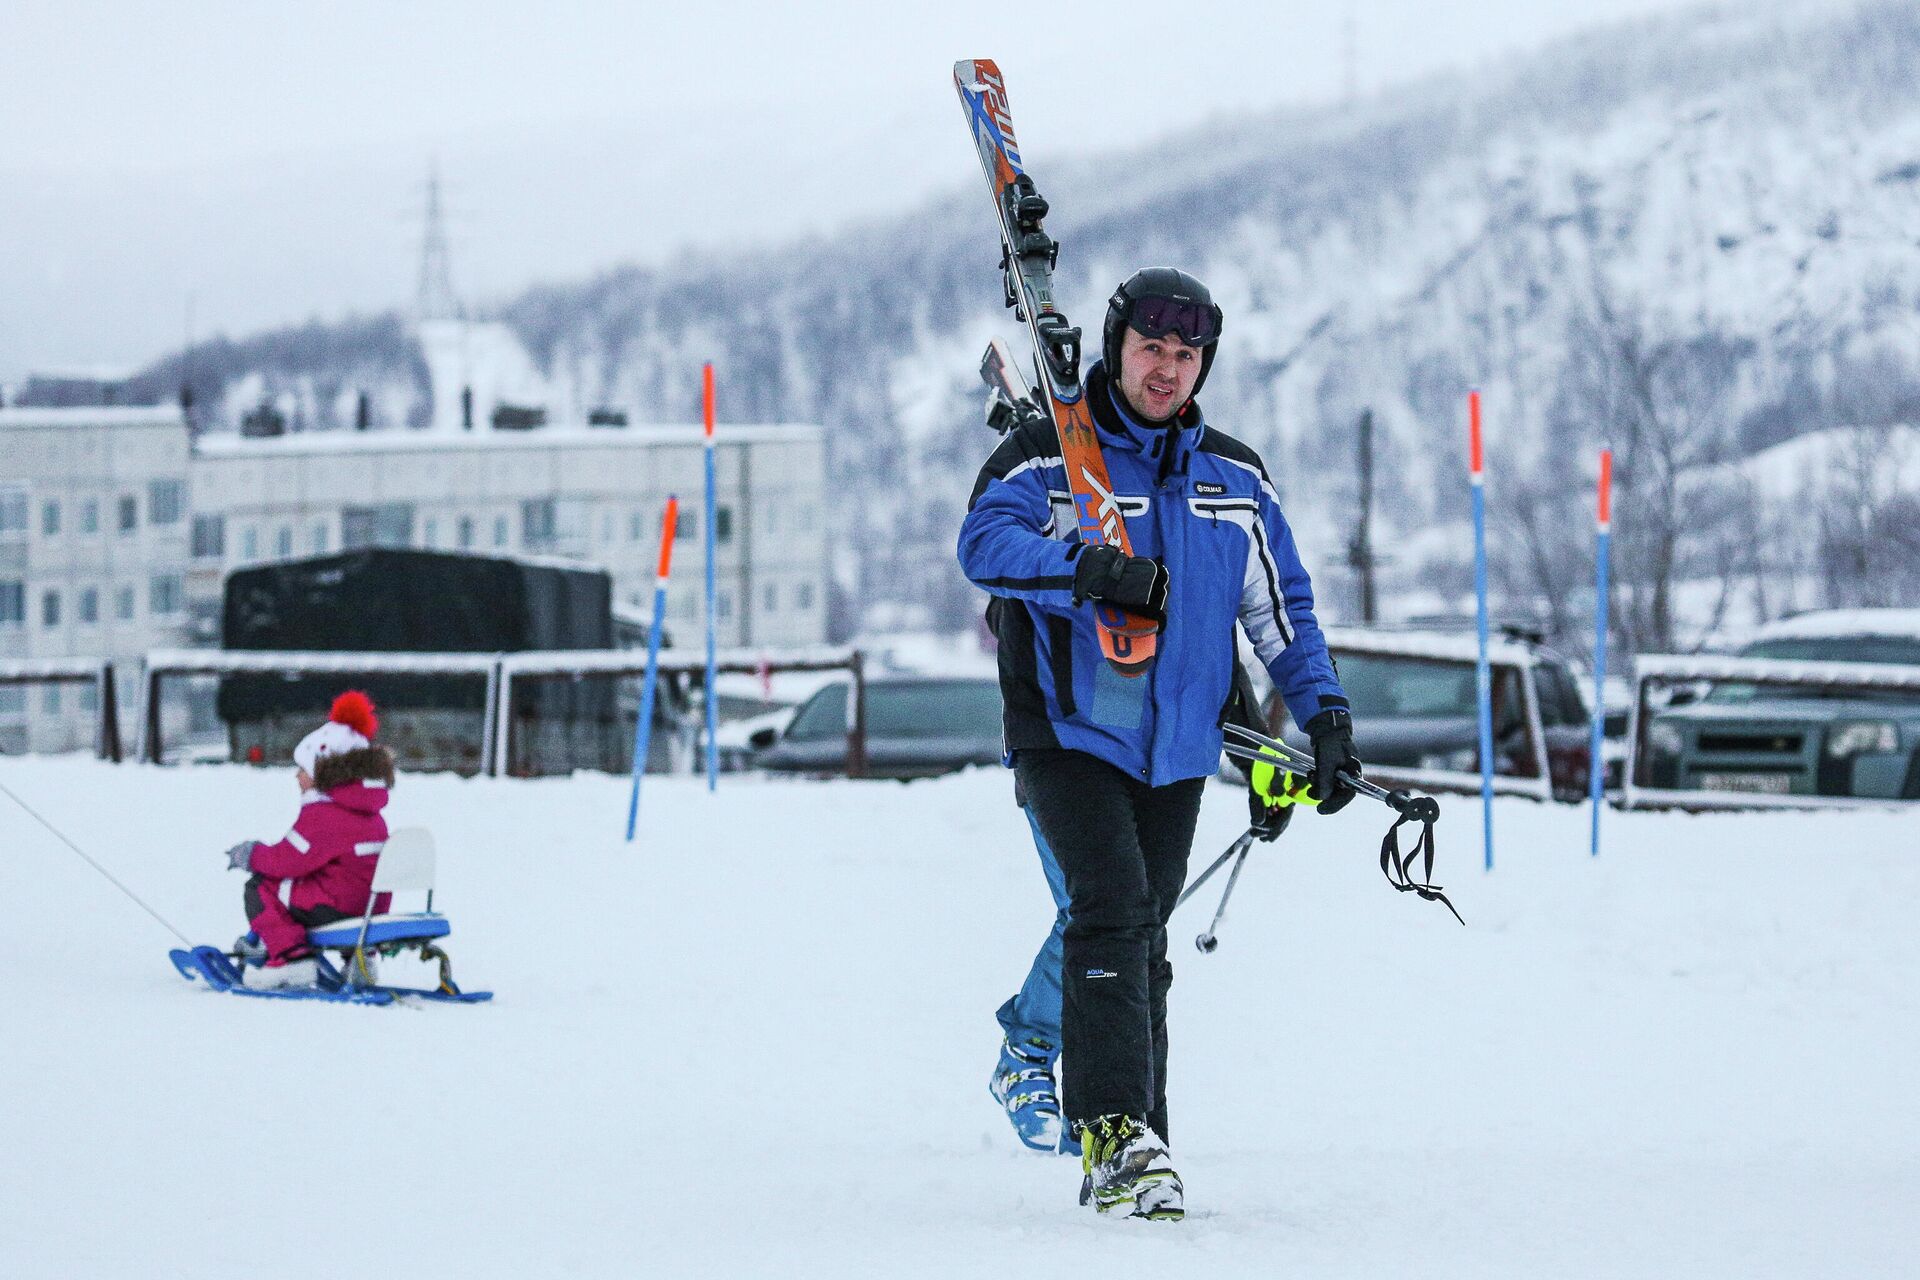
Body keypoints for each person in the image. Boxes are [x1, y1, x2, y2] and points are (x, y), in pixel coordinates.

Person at [959, 267, 1362, 1220]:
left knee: (1144, 937)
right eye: (1152, 350)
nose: (1167, 370)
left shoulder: (1235, 479)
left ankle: (1145, 1132)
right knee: (1108, 909)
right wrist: (1090, 567)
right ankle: (1108, 1134)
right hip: (1066, 728)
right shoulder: (1049, 455)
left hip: (1176, 748)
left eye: (1187, 356)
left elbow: (1281, 616)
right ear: (1116, 347)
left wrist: (1325, 722)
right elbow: (985, 541)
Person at [986, 661, 1303, 1159]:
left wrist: (1258, 760)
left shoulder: (1185, 588)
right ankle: (1031, 1051)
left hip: (1157, 769)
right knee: (1096, 910)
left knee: (1134, 923)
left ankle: (1108, 1111)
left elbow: (1206, 647)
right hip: (1061, 755)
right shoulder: (1065, 589)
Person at [225, 691, 395, 989]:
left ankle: (292, 959)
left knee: (261, 888)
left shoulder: (324, 814)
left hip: (338, 908)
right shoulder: (371, 813)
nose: (297, 777)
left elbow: (287, 861)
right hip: (369, 907)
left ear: (321, 772)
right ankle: (360, 960)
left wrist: (251, 855)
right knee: (330, 883)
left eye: (303, 769)